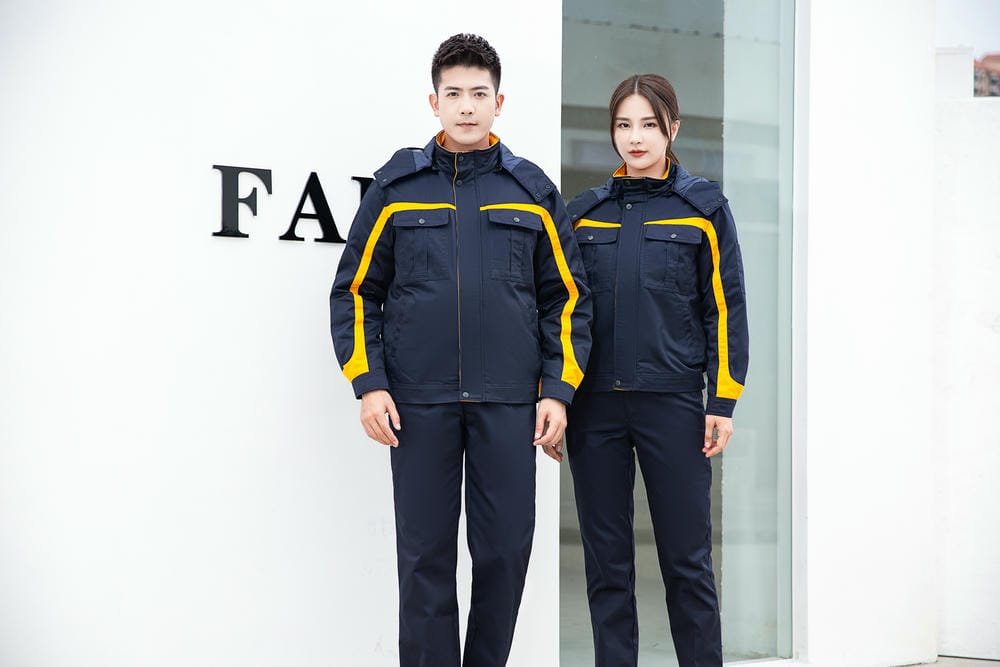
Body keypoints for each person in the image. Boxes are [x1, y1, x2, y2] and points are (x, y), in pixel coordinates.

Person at [329, 33, 592, 667]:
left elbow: (568, 299)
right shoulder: (397, 189)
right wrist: (370, 384)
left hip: (509, 403)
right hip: (418, 405)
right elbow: (356, 292)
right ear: (434, 102)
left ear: (499, 102)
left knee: (505, 553)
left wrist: (557, 391)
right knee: (425, 559)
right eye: (454, 94)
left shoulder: (530, 191)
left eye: (479, 93)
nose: (466, 106)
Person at [561, 73, 749, 667]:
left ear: (673, 128)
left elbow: (725, 308)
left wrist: (722, 401)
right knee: (607, 566)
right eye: (624, 125)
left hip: (673, 406)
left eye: (648, 124)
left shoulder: (704, 209)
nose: (635, 137)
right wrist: (558, 396)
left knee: (687, 562)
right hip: (595, 410)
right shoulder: (583, 214)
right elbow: (562, 312)